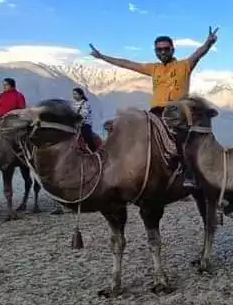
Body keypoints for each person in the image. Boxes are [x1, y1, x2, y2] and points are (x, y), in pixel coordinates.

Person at [89, 27, 218, 188]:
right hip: (156, 111)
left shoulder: (184, 65)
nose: (162, 52)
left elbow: (198, 54)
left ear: (172, 49)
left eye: (166, 49)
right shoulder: (154, 68)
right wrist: (102, 57)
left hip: (178, 111)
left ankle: (189, 173)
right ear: (155, 51)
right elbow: (127, 64)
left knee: (182, 137)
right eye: (159, 49)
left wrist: (208, 43)